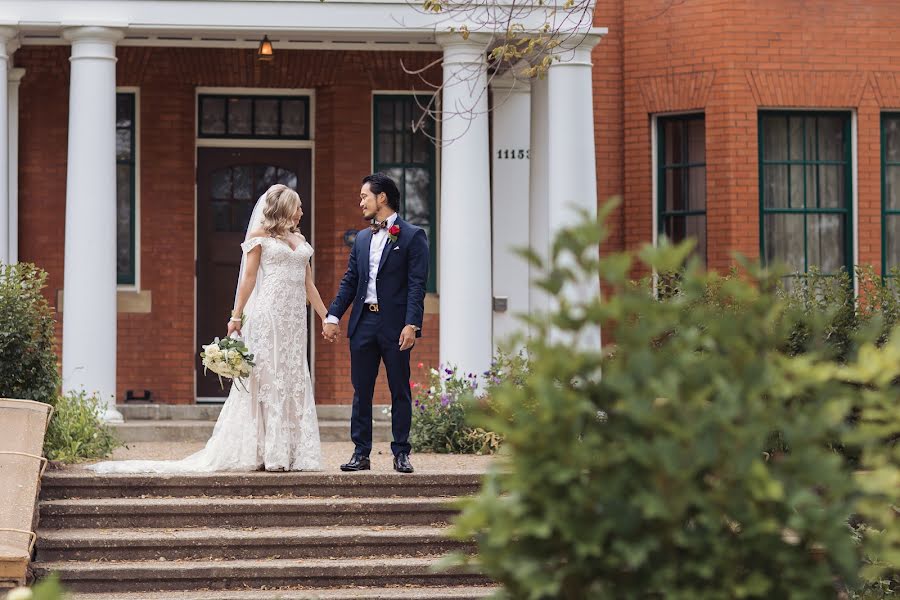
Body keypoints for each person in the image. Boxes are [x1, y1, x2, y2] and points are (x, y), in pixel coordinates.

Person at [88, 184, 325, 473]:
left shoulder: (299, 240)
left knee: (292, 377)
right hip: (269, 316)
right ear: (285, 209)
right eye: (298, 207)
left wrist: (326, 317)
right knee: (267, 378)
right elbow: (248, 280)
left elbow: (308, 284)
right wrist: (236, 317)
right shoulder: (259, 237)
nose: (302, 212)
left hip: (294, 321)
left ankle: (291, 450)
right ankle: (268, 451)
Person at [323, 173, 429, 474]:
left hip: (395, 325)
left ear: (382, 198)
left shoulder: (412, 236)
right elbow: (350, 281)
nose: (361, 202)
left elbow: (416, 285)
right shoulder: (362, 238)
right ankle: (361, 453)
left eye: (364, 196)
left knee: (399, 390)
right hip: (363, 322)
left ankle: (401, 453)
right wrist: (333, 316)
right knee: (362, 391)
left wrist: (412, 324)